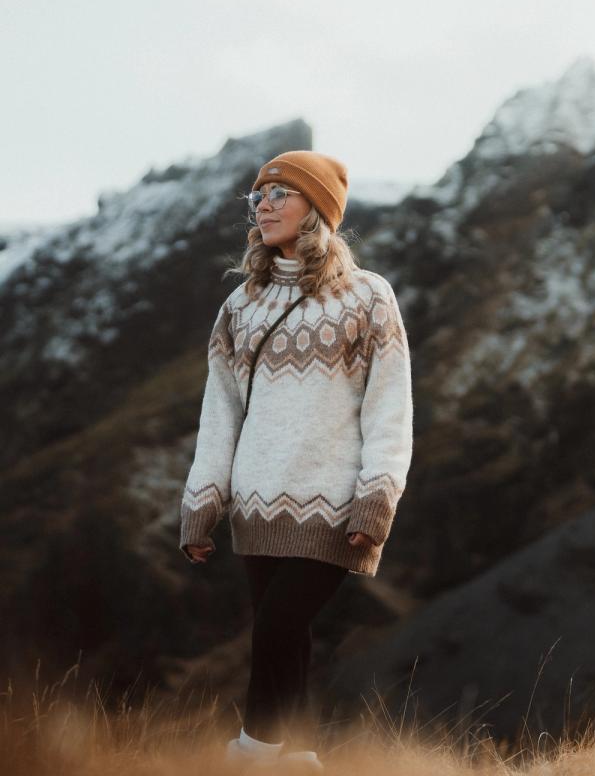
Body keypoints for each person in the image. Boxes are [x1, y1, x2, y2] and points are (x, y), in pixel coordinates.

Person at [179, 150, 414, 772]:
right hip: (256, 499)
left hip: (335, 500)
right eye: (259, 195)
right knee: (287, 640)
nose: (265, 204)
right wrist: (202, 502)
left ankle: (249, 755)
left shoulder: (368, 297)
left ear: (319, 209)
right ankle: (300, 756)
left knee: (278, 626)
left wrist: (377, 496)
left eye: (282, 193)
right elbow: (220, 413)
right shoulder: (239, 307)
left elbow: (390, 410)